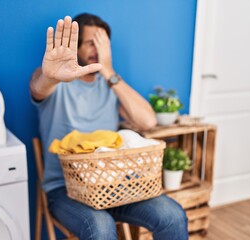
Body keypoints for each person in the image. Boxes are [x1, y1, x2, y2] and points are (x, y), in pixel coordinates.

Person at [30, 13, 188, 240]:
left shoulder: (110, 86)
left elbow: (148, 121)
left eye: (102, 45)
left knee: (172, 215)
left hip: (112, 187)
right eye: (90, 43)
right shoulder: (57, 83)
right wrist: (49, 76)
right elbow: (38, 87)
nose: (96, 50)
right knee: (101, 226)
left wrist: (108, 71)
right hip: (65, 190)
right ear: (75, 47)